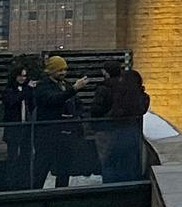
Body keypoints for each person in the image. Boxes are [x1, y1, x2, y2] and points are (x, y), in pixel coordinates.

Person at [31, 55, 85, 188]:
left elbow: (77, 103)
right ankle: (34, 196)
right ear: (51, 71)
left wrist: (75, 115)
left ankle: (60, 196)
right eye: (60, 70)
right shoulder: (42, 86)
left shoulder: (65, 85)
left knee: (64, 168)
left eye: (64, 70)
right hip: (47, 135)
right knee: (41, 169)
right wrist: (73, 89)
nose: (63, 73)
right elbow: (52, 99)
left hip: (65, 134)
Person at [96, 56, 149, 184]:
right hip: (133, 133)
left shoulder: (119, 95)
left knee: (110, 161)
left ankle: (110, 187)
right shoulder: (141, 97)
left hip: (117, 131)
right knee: (129, 162)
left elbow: (110, 111)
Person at [0, 64, 36, 190]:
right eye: (20, 75)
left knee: (26, 156)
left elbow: (32, 105)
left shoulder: (26, 90)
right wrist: (27, 90)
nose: (22, 78)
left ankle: (24, 182)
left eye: (24, 76)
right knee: (13, 157)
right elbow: (13, 102)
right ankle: (11, 183)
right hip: (14, 127)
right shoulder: (8, 91)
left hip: (25, 126)